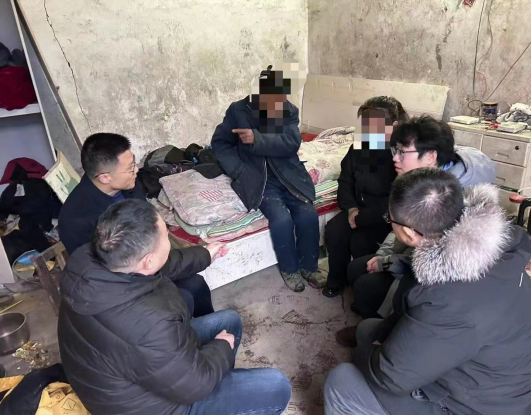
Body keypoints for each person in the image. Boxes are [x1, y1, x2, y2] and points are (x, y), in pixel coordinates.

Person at [325, 168, 531, 415]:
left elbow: (391, 377)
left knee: (343, 381)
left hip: (483, 407)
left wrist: (364, 354)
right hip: (501, 379)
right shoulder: (493, 247)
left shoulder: (446, 298)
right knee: (368, 329)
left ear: (408, 232)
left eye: (390, 218)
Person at [58, 199, 292, 415]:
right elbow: (195, 385)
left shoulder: (90, 259)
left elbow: (161, 265)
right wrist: (221, 348)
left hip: (116, 377)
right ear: (148, 260)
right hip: (149, 407)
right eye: (165, 236)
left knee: (229, 321)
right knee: (275, 386)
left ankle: (224, 390)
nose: (169, 239)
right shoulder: (151, 323)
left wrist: (204, 255)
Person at [336, 116, 497, 345]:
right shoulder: (421, 180)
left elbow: (433, 260)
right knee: (356, 267)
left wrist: (386, 263)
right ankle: (370, 320)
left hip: (437, 274)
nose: (395, 158)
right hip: (413, 255)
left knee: (367, 285)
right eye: (396, 150)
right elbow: (401, 226)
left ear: (430, 156)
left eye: (402, 152)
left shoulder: (447, 198)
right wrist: (383, 255)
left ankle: (381, 333)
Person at [58, 132, 215, 317]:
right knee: (183, 297)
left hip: (149, 261)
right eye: (130, 168)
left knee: (196, 285)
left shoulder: (129, 186)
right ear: (105, 177)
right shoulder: (75, 220)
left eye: (134, 163)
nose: (136, 171)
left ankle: (206, 329)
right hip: (124, 284)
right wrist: (201, 255)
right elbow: (109, 273)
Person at [211, 66, 325, 292]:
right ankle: (290, 269)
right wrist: (238, 170)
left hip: (288, 173)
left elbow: (291, 143)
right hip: (258, 177)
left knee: (307, 213)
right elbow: (220, 143)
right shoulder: (238, 110)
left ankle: (309, 267)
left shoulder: (288, 110)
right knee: (281, 218)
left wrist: (257, 138)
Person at [322, 97, 408, 298]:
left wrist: (363, 218)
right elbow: (345, 181)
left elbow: (398, 196)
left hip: (385, 215)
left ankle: (363, 287)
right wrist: (351, 208)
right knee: (334, 230)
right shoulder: (359, 147)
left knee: (361, 242)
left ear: (394, 125)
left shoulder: (400, 153)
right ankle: (337, 279)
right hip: (358, 207)